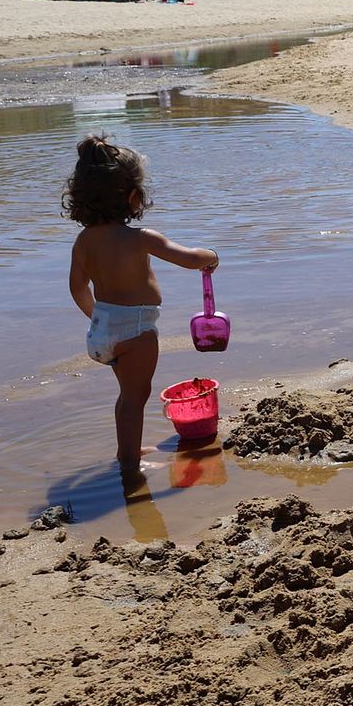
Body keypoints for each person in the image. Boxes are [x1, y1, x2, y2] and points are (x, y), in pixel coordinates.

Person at [64, 135, 220, 467]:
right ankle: (130, 467)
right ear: (133, 197)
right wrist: (212, 256)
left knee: (127, 397)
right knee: (136, 398)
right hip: (135, 331)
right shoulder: (141, 239)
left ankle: (129, 452)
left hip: (102, 330)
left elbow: (77, 287)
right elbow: (189, 258)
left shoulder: (83, 242)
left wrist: (98, 318)